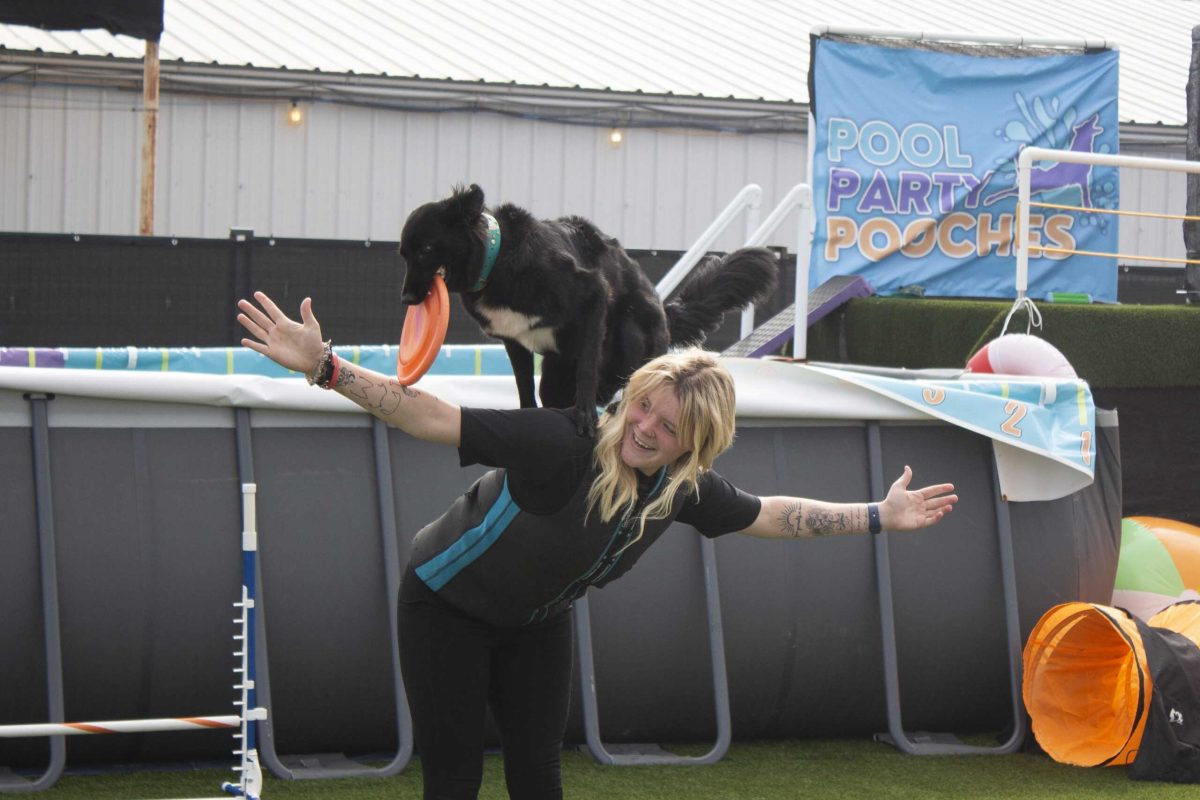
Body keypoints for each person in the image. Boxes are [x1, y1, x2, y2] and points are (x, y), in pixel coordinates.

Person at [236, 292, 958, 800]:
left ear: (694, 446)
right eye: (645, 404)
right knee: (455, 781)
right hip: (444, 606)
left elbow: (768, 513)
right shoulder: (565, 442)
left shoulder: (682, 489)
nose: (645, 427)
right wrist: (324, 365)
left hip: (534, 624)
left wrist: (877, 516)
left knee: (539, 780)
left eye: (668, 426)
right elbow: (431, 417)